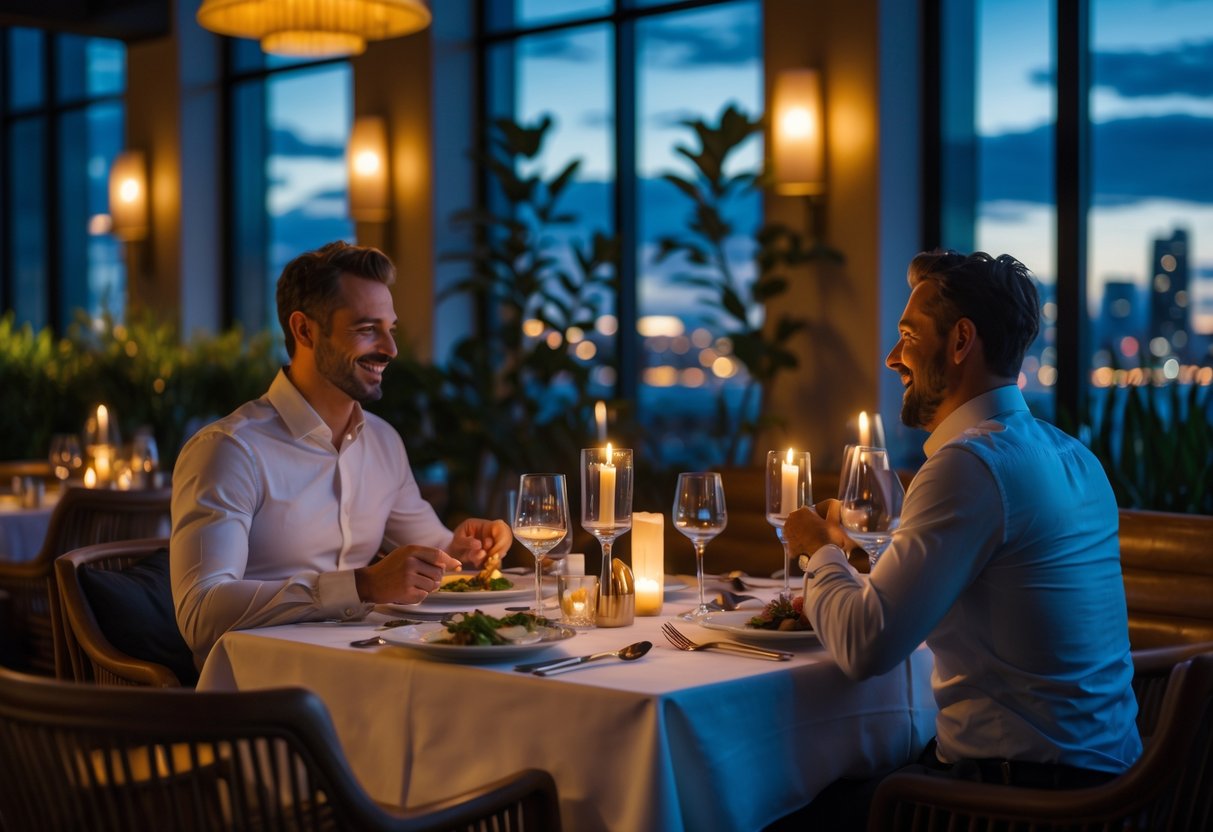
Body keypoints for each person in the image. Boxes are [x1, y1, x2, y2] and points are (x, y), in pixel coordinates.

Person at [785, 250, 1141, 793]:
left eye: (908, 335)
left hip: (1019, 804)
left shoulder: (967, 467)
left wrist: (817, 549)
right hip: (1114, 789)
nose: (892, 357)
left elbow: (864, 646)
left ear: (960, 341)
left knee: (794, 800)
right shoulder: (1074, 458)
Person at [172, 241, 511, 664]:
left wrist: (466, 551)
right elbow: (200, 613)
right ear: (305, 331)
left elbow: (439, 554)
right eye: (367, 329)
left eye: (391, 329)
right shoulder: (231, 450)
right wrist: (362, 586)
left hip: (368, 667)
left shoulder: (383, 441)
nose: (390, 349)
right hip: (264, 695)